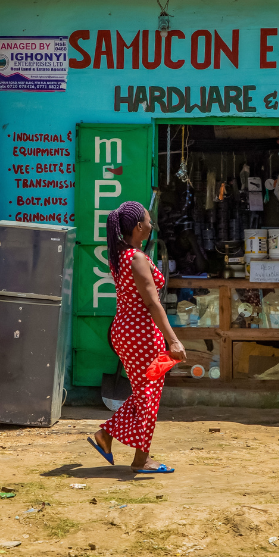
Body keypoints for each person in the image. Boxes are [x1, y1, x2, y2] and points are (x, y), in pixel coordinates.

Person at [88, 201, 186, 473]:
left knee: (145, 392)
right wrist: (174, 340)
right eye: (149, 220)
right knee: (149, 394)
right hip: (141, 333)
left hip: (125, 331)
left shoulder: (121, 256)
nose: (152, 224)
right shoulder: (137, 258)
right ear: (138, 227)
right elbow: (153, 303)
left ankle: (107, 437)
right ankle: (140, 460)